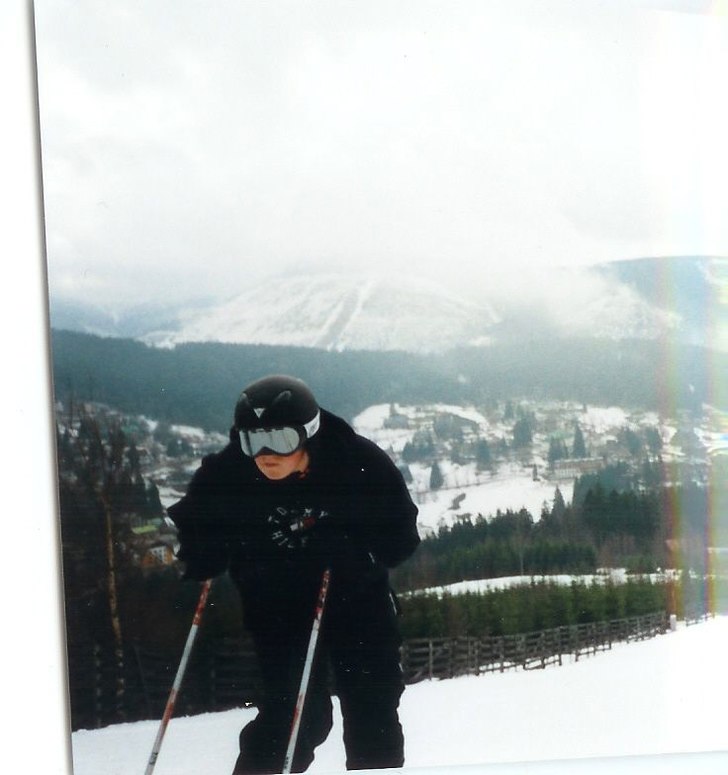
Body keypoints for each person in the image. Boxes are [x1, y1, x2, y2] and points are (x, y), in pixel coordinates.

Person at [168, 374, 420, 774]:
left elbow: (401, 539)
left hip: (358, 603)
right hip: (277, 608)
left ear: (309, 434)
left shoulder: (358, 464)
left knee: (372, 704)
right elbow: (193, 524)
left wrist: (354, 546)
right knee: (295, 713)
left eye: (281, 439)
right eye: (252, 441)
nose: (266, 453)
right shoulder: (228, 473)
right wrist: (205, 549)